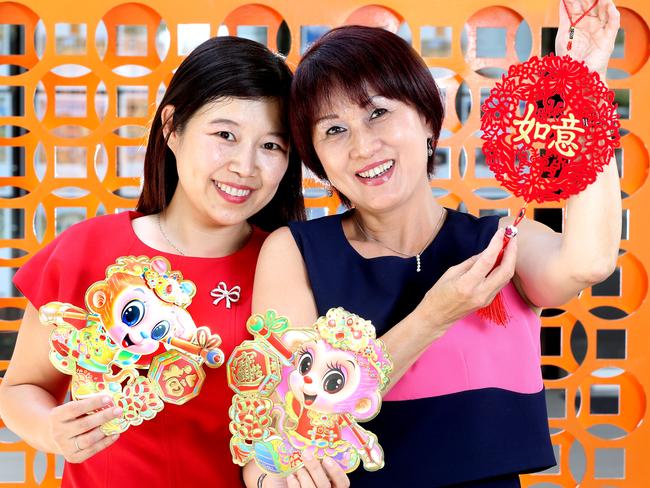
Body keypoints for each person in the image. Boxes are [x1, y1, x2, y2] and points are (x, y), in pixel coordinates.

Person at [249, 1, 621, 486]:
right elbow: (294, 419)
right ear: (317, 160)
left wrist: (583, 84)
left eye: (378, 113)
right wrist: (435, 315)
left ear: (428, 118)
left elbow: (588, 261)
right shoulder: (294, 252)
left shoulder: (497, 245)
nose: (363, 147)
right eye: (334, 130)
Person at [0, 36, 325, 487]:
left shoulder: (288, 268)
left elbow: (287, 427)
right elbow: (20, 389)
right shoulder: (88, 249)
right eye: (225, 135)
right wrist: (52, 431)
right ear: (172, 127)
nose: (246, 166)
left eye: (271, 146)